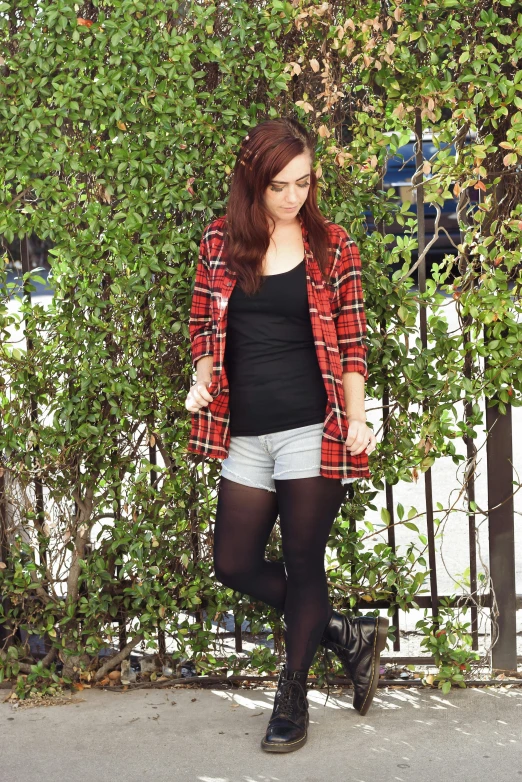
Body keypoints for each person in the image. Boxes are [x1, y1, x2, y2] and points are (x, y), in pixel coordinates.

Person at [184, 117, 388, 753]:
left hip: (313, 427)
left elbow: (352, 345)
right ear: (253, 183)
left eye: (304, 182)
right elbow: (202, 328)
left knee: (304, 564)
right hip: (244, 432)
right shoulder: (219, 242)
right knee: (233, 563)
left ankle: (292, 697)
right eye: (280, 185)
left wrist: (355, 420)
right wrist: (202, 378)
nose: (294, 196)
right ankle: (347, 635)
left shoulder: (334, 247)